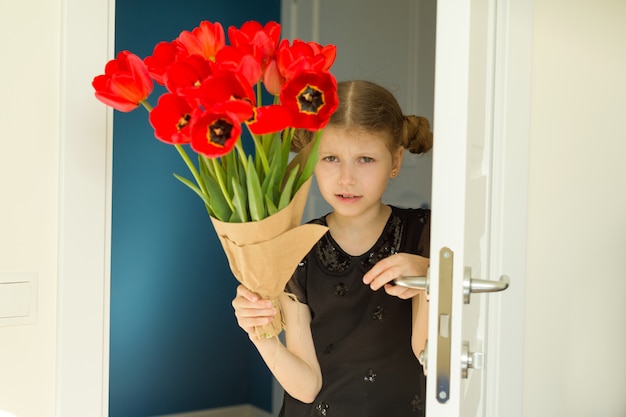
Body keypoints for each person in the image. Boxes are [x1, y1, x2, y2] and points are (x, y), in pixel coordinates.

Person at [232, 80, 433, 417]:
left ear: (396, 160)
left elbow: (426, 352)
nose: (346, 178)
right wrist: (260, 336)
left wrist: (430, 278)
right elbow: (305, 386)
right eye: (330, 158)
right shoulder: (296, 246)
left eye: (365, 159)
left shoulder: (424, 233)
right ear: (311, 160)